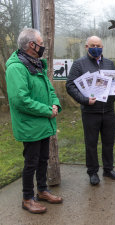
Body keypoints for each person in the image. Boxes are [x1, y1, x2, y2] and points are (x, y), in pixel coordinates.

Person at [5, 28, 63, 214]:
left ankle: (43, 190)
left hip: (43, 123)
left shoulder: (35, 64)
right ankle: (27, 198)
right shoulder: (16, 67)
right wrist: (47, 111)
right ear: (32, 45)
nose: (43, 45)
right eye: (41, 42)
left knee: (43, 159)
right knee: (31, 162)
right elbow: (20, 100)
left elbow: (49, 89)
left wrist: (54, 104)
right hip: (30, 125)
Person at [66, 36, 115, 185]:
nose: (96, 47)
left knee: (109, 142)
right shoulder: (79, 64)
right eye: (92, 45)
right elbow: (70, 85)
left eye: (98, 45)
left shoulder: (109, 63)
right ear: (86, 47)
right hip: (90, 112)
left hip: (108, 110)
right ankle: (92, 172)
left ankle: (108, 169)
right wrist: (84, 100)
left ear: (102, 47)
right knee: (91, 143)